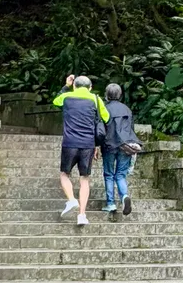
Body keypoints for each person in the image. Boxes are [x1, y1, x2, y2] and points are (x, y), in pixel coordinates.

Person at [52, 74, 109, 226]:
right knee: (84, 178)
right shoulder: (96, 99)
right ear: (90, 88)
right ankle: (82, 215)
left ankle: (71, 200)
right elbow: (106, 117)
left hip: (69, 143)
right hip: (88, 144)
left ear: (75, 86)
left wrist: (66, 86)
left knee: (64, 174)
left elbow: (55, 102)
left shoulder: (66, 97)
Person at [101, 83, 141, 216]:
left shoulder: (105, 109)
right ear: (120, 95)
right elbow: (131, 129)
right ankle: (124, 196)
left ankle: (111, 203)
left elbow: (101, 130)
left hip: (109, 144)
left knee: (108, 174)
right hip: (126, 145)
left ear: (107, 95)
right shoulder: (127, 109)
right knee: (120, 175)